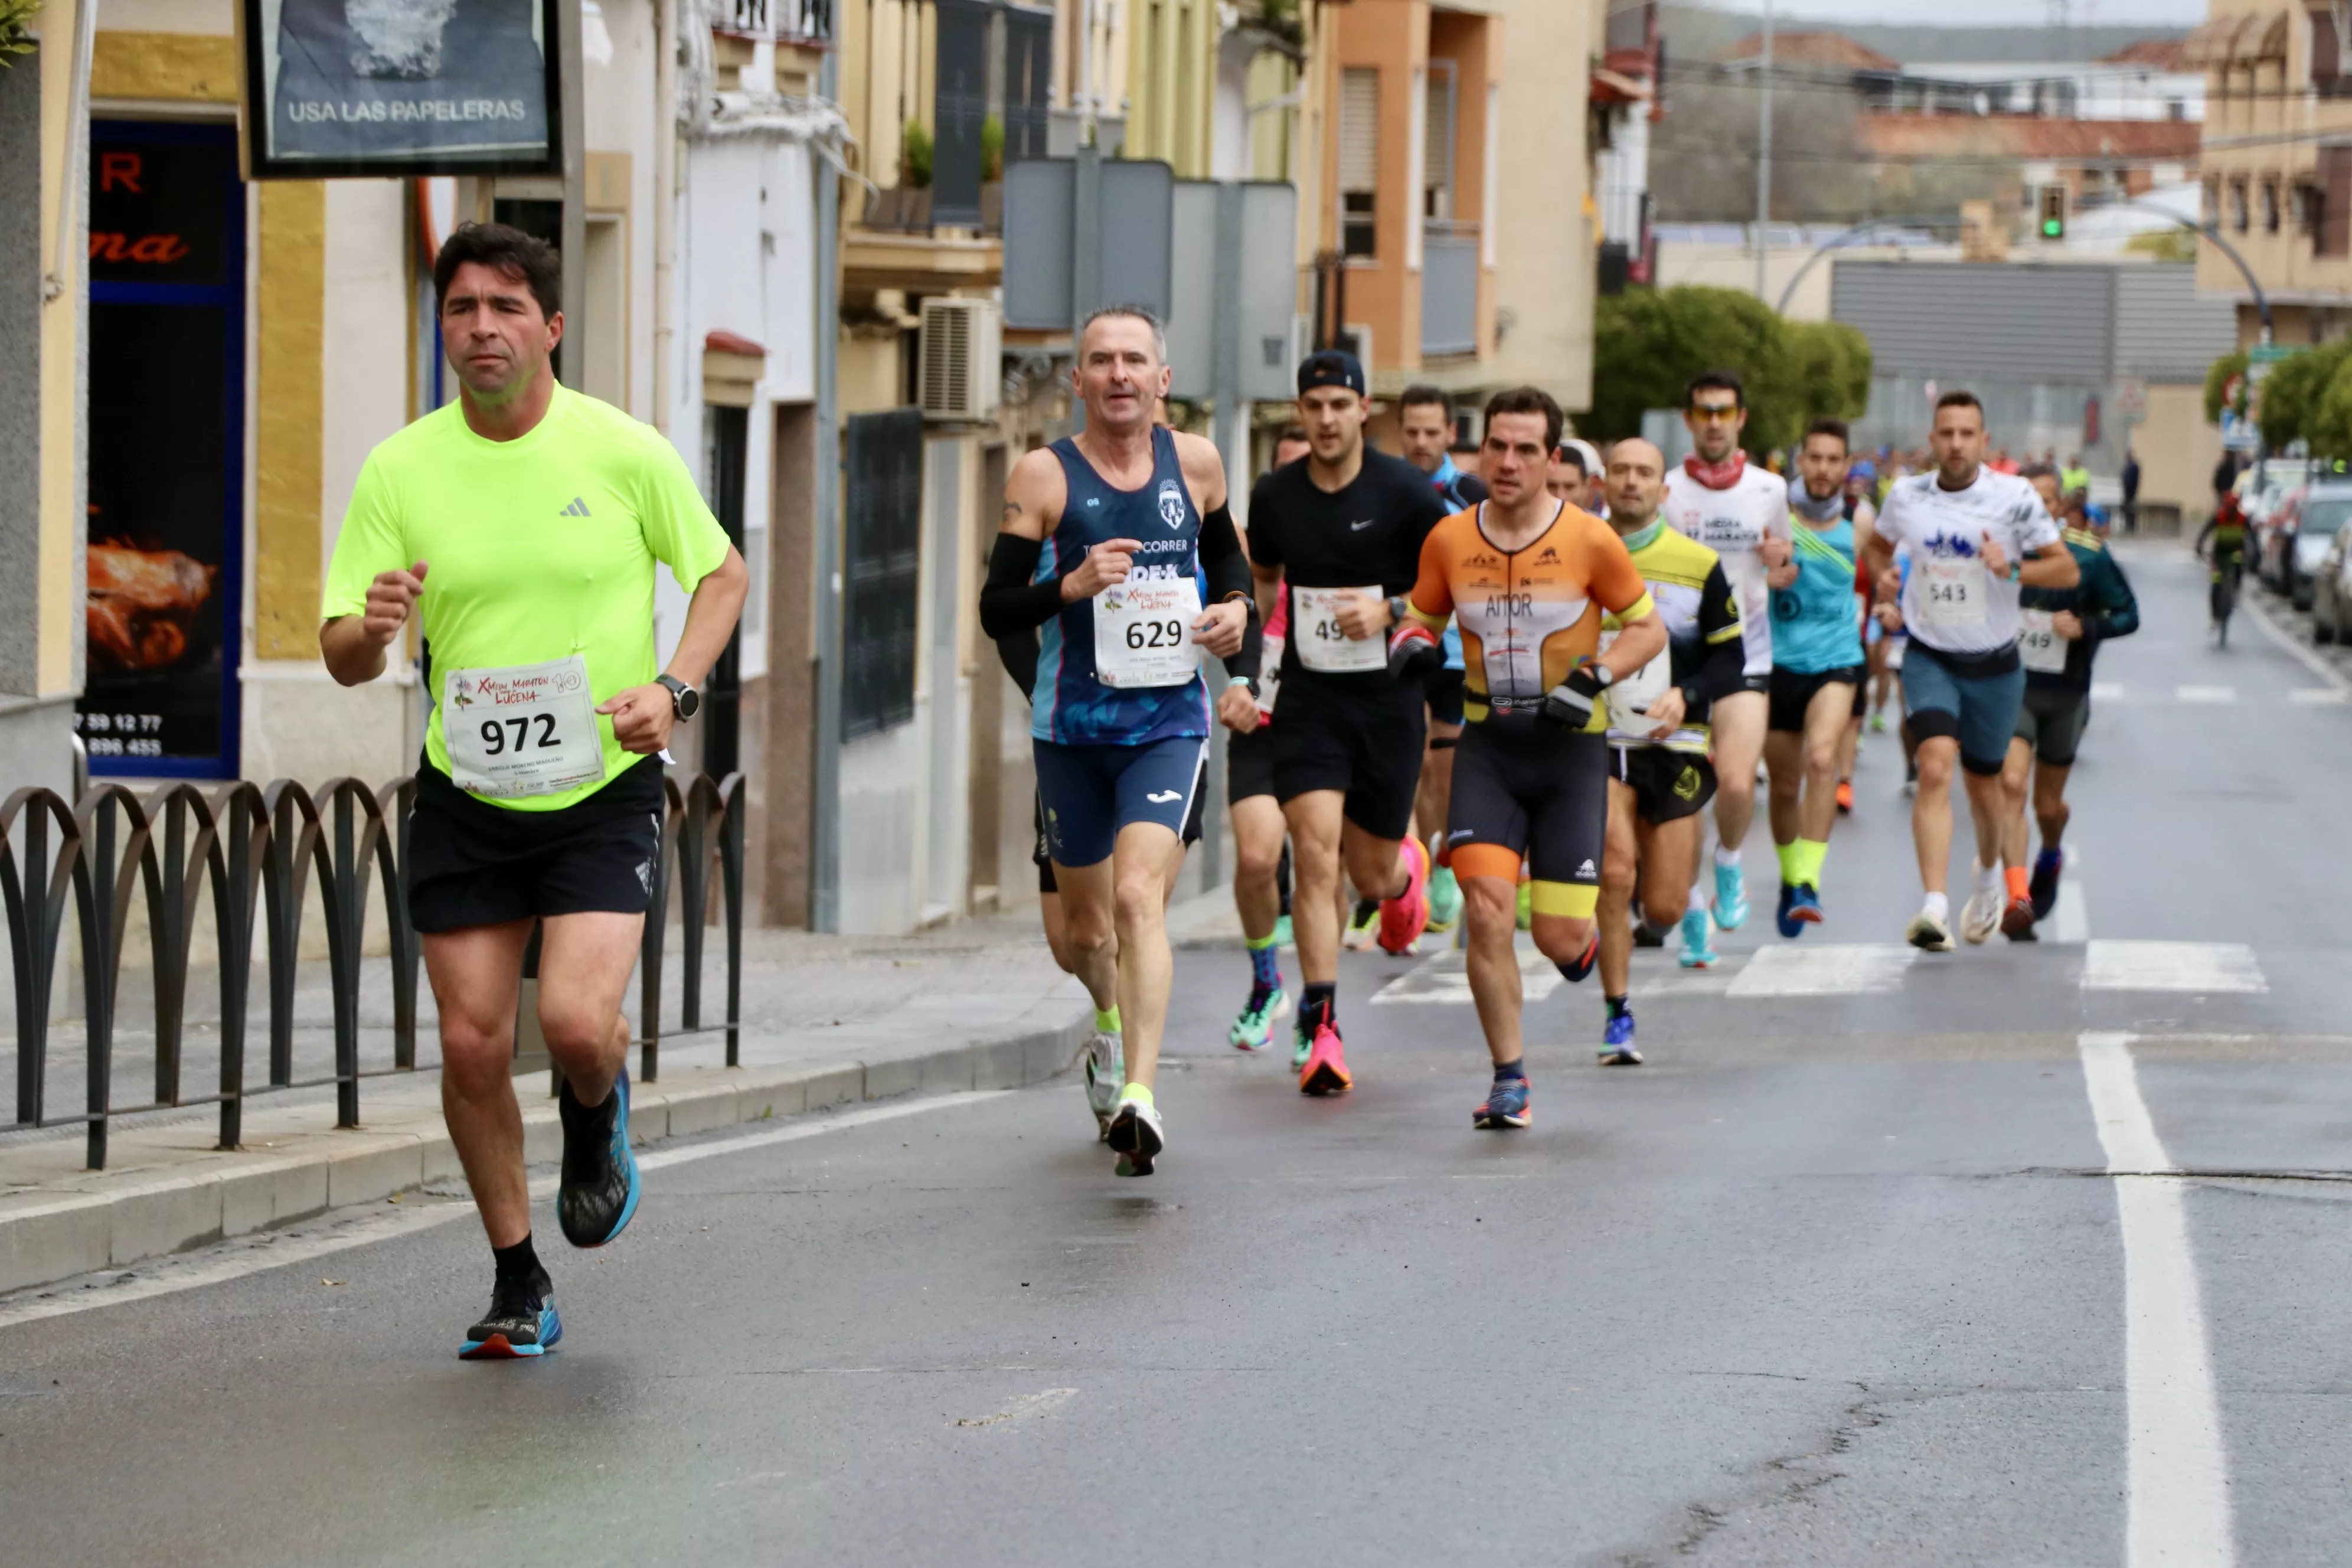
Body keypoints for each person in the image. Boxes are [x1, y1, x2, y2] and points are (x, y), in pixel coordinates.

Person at [319, 223, 750, 1360]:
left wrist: (676, 687)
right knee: (469, 1046)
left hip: (602, 784)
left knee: (568, 1020)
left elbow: (719, 571)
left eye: (505, 308)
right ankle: (518, 1279)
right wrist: (365, 633)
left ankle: (593, 1102)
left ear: (549, 327)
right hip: (468, 793)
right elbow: (339, 651)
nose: (481, 328)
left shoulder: (620, 450)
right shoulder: (401, 468)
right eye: (461, 309)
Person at [981, 305, 1255, 1175]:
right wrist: (1070, 585)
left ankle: (1141, 1092)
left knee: (1142, 901)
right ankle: (1106, 1025)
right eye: (1101, 361)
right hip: (1071, 734)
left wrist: (1237, 615)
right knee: (1082, 941)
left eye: (1135, 360)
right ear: (1079, 380)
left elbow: (1234, 565)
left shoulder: (1199, 463)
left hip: (1168, 725)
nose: (1119, 374)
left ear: (1162, 379)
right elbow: (994, 609)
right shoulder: (1043, 477)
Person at [1392, 388, 1664, 1125]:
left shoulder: (1590, 541)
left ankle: (1576, 951)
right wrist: (1410, 647)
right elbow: (1420, 616)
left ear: (1553, 458)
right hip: (1488, 748)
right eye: (1496, 447)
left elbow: (1648, 630)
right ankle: (1508, 1077)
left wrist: (1596, 676)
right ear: (1480, 450)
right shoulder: (1449, 539)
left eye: (1524, 450)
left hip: (1570, 752)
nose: (1507, 463)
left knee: (1557, 935)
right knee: (1486, 910)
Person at [1248, 350, 1451, 1093]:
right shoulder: (1275, 497)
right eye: (1314, 406)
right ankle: (1322, 1024)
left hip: (1387, 704)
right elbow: (1263, 580)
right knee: (1314, 853)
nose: (1327, 419)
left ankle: (1404, 879)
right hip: (1309, 703)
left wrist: (1392, 610)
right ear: (1299, 412)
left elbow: (1452, 581)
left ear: (1366, 409)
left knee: (1368, 870)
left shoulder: (1406, 494)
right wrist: (1253, 676)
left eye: (1341, 404)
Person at [1864, 390, 2078, 951]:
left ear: (1984, 442)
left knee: (1987, 789)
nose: (1956, 444)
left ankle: (1986, 880)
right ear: (1932, 440)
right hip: (1930, 656)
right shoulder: (1906, 495)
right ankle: (1934, 906)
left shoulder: (2014, 498)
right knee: (1934, 767)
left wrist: (2014, 567)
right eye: (1946, 433)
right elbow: (1877, 547)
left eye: (1967, 434)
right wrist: (1885, 577)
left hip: (1996, 666)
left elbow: (2066, 570)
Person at [1591, 439, 1743, 1064]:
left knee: (1662, 906)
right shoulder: (1575, 551)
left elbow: (1729, 654)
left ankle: (1683, 901)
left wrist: (1689, 693)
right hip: (1598, 740)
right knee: (1615, 868)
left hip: (1674, 744)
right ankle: (1617, 1015)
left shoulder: (1698, 562)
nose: (1631, 481)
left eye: (1644, 473)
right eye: (1621, 470)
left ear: (1664, 488)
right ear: (1603, 482)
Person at [1661, 370, 1789, 935]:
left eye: (1724, 411)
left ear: (1741, 418)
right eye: (1703, 411)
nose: (1714, 422)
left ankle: (1730, 862)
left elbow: (1784, 572)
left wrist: (1781, 562)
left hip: (1746, 655)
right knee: (1684, 796)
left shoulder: (1770, 490)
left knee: (1736, 783)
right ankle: (1690, 902)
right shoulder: (1665, 489)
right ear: (1689, 420)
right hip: (1677, 662)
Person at [1999, 466, 2138, 937]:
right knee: (2012, 783)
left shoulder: (2089, 556)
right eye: (2029, 499)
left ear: (2060, 508)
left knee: (2047, 806)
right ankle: (2018, 898)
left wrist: (2086, 627)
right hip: (2012, 688)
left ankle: (2051, 853)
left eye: (2048, 500)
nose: (2039, 508)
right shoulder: (1998, 553)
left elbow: (2129, 614)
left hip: (2065, 693)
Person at [1763, 420, 1868, 936]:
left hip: (1838, 659)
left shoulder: (1862, 522)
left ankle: (1809, 881)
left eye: (1834, 460)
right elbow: (1735, 578)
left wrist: (1892, 600)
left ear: (1846, 467)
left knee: (1823, 758)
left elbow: (1889, 575)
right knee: (1783, 788)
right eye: (1816, 458)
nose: (1824, 469)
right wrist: (1766, 578)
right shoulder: (1774, 515)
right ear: (1800, 461)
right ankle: (1789, 876)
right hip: (1779, 662)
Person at [1397, 386, 1489, 940]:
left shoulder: (1468, 491)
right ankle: (1430, 863)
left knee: (1445, 770)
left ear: (1450, 434)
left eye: (1433, 432)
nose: (1422, 442)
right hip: (1402, 649)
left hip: (1457, 652)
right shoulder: (1384, 487)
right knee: (1411, 769)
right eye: (1412, 432)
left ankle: (1449, 865)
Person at [2120, 447, 2141, 535]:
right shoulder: (2128, 465)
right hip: (2126, 490)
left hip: (2131, 491)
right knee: (2126, 509)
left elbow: (2133, 479)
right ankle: (2128, 526)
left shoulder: (2133, 466)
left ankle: (2131, 527)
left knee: (2130, 509)